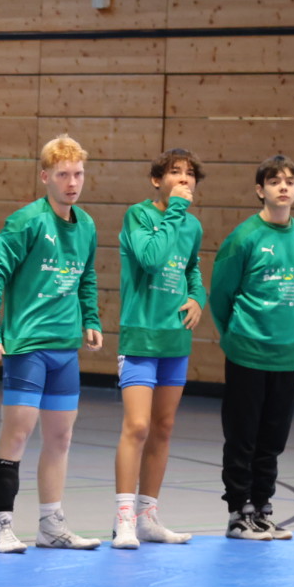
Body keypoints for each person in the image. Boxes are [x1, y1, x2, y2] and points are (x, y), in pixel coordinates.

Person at [0, 134, 104, 555]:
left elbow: (86, 277)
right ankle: (2, 525)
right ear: (46, 176)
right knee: (17, 433)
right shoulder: (26, 221)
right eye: (64, 174)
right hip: (28, 345)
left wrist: (91, 319)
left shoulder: (86, 226)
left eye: (78, 174)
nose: (73, 183)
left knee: (60, 438)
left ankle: (51, 526)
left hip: (64, 348)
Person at [211, 155, 294, 541]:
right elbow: (220, 294)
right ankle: (239, 513)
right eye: (274, 181)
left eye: (290, 181)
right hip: (248, 351)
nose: (283, 187)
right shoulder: (244, 238)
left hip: (288, 353)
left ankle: (262, 508)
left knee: (273, 438)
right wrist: (234, 336)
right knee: (243, 436)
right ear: (260, 190)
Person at [111, 149, 204, 549]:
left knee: (163, 428)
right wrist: (176, 209)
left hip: (175, 339)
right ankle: (124, 519)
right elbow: (151, 259)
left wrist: (198, 296)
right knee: (137, 426)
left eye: (190, 174)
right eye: (175, 172)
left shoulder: (192, 226)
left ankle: (148, 517)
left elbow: (191, 267)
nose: (184, 179)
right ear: (157, 180)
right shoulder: (139, 215)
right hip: (141, 337)